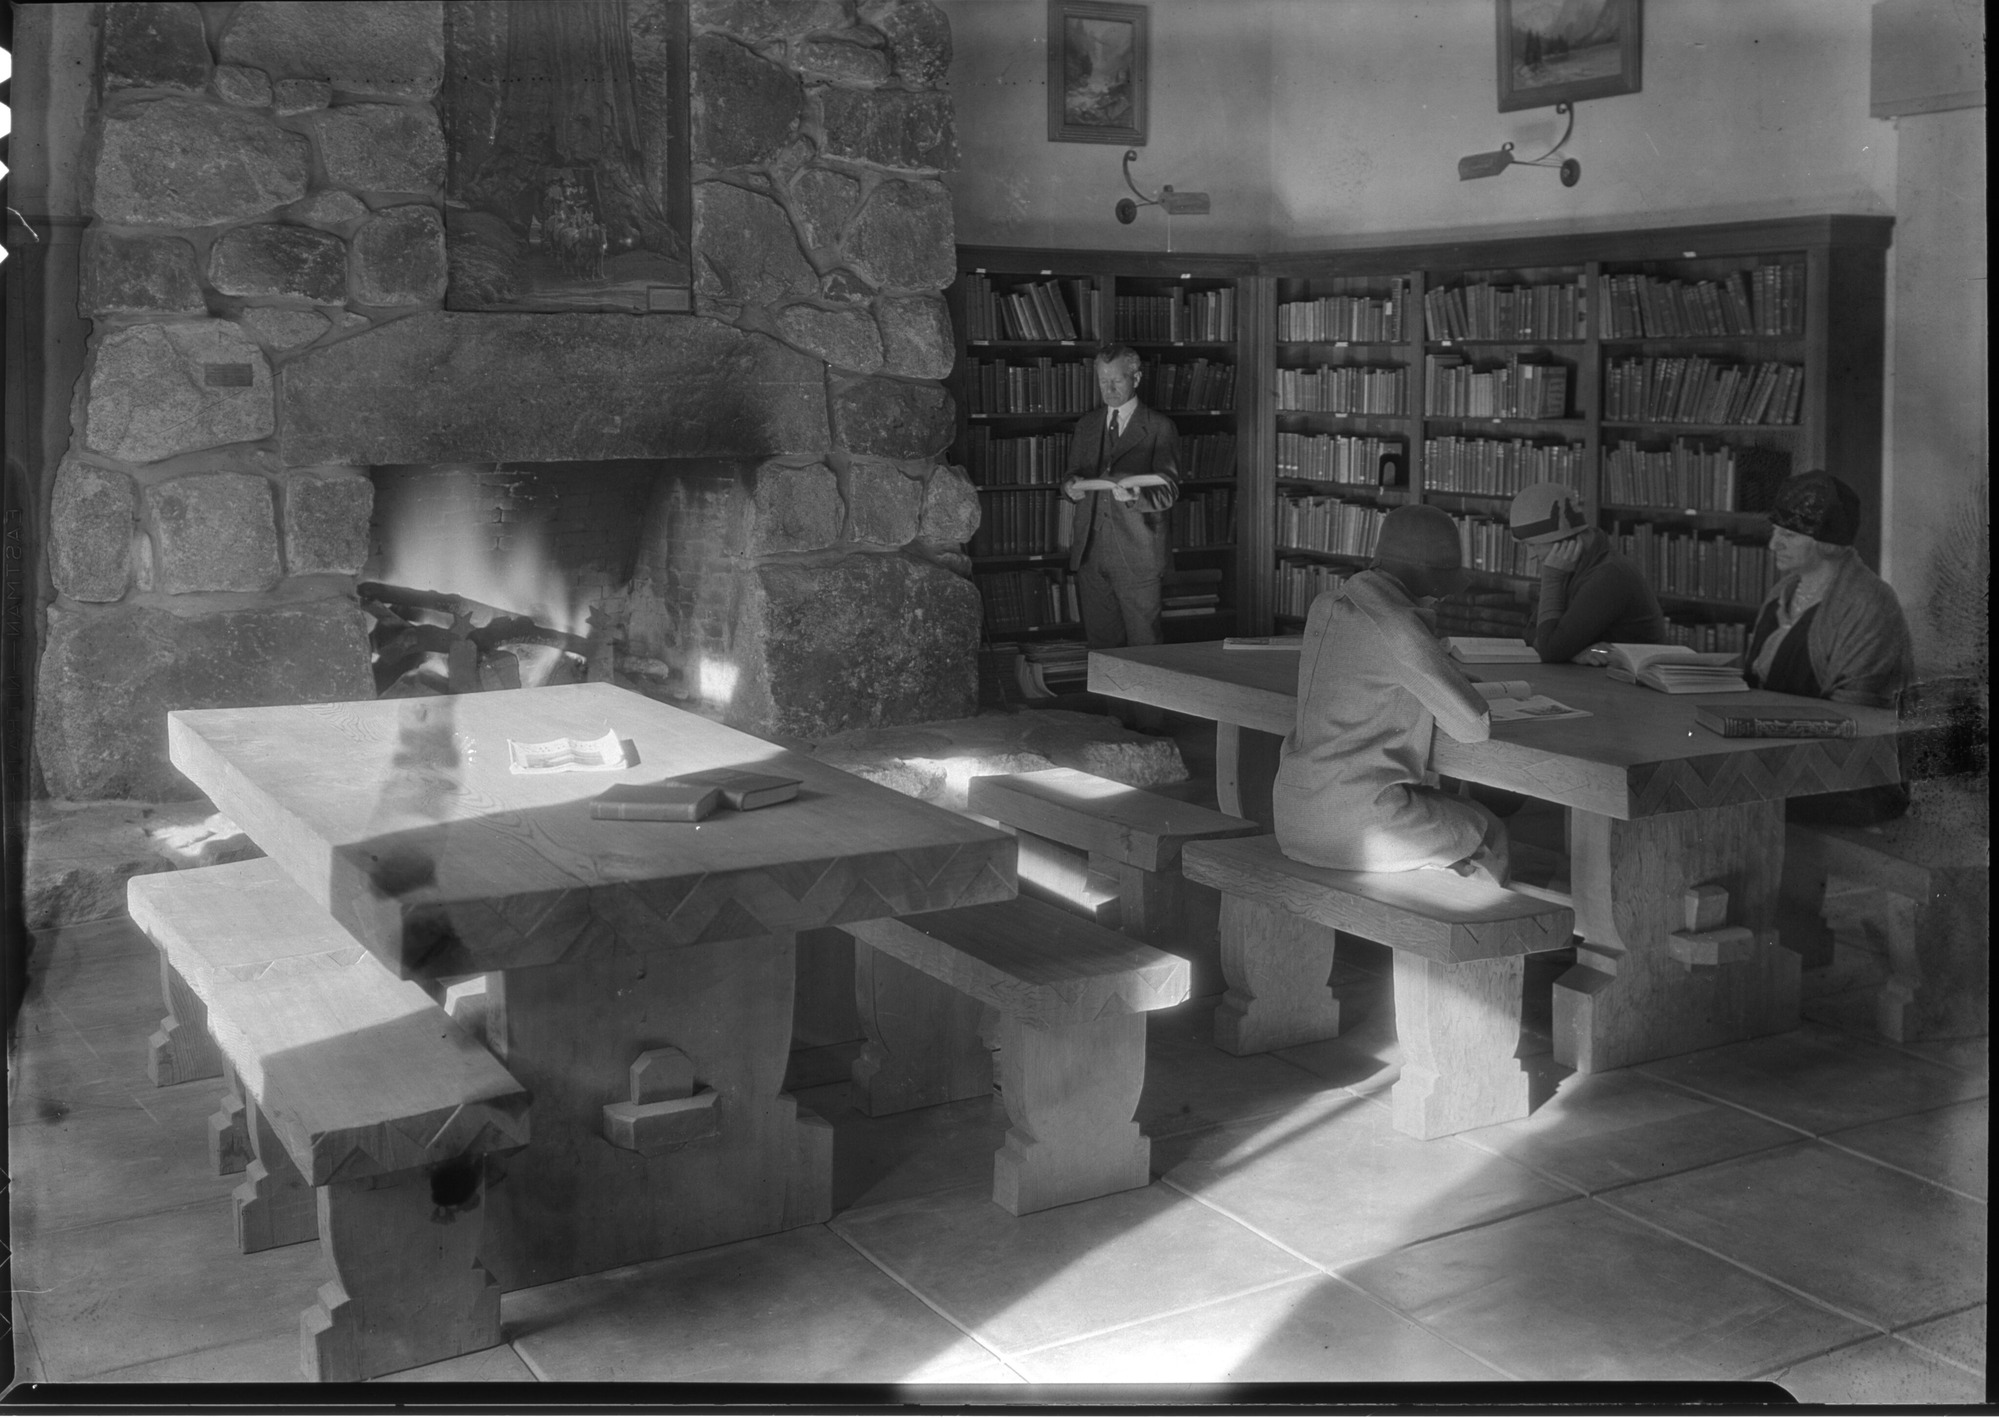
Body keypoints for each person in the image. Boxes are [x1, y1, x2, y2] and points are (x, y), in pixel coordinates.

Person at [1273, 503, 1509, 884]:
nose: (1441, 600)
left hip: (1296, 813)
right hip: (1359, 826)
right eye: (1440, 591)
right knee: (1489, 832)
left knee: (1451, 814)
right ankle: (1480, 921)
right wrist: (1449, 677)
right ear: (1429, 582)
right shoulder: (1400, 627)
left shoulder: (1326, 605)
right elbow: (1473, 727)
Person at [1747, 469, 1915, 825]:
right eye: (1775, 532)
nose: (1773, 545)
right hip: (1777, 759)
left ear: (1825, 542)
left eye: (1788, 535)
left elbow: (1854, 723)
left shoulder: (1870, 604)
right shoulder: (1783, 591)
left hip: (1845, 779)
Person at [1060, 345, 1180, 650]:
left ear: (1136, 378)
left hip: (1138, 553)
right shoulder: (1087, 426)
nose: (1109, 389)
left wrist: (1136, 495)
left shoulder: (1159, 427)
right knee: (1102, 648)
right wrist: (1070, 489)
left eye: (1116, 381)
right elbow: (1072, 474)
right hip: (1091, 552)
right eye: (1103, 381)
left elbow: (1169, 490)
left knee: (1145, 646)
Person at [1507, 481, 1667, 662]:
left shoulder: (1610, 575)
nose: (1531, 556)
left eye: (1532, 545)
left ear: (1564, 540)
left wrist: (1552, 577)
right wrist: (1573, 653)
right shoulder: (1576, 565)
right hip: (1599, 676)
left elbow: (1549, 650)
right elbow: (1530, 633)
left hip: (1635, 678)